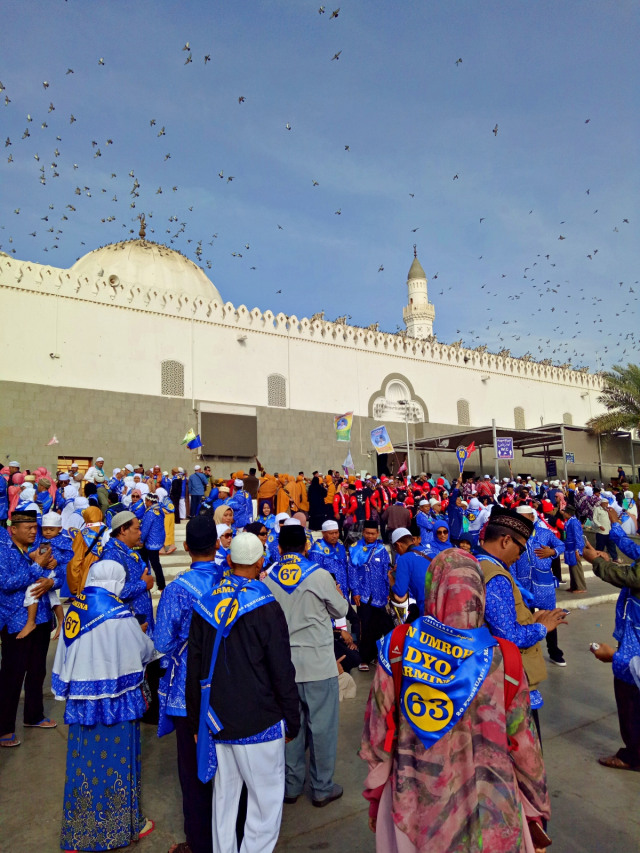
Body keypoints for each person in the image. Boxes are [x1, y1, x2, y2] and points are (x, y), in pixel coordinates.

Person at [360, 548, 550, 852]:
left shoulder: (397, 647)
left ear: (432, 589)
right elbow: (525, 746)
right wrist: (536, 811)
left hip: (417, 811)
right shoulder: (504, 658)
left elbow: (378, 735)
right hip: (493, 815)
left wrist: (375, 798)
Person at [187, 532, 300, 853]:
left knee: (224, 799)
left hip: (216, 719)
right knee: (265, 804)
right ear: (261, 561)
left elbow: (194, 670)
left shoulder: (206, 602)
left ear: (231, 560)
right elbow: (282, 669)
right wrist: (292, 719)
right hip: (259, 721)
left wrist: (197, 722)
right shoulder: (265, 605)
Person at [52, 559, 156, 850]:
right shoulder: (118, 613)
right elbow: (143, 649)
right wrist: (143, 632)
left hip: (83, 704)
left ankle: (79, 833)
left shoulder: (77, 609)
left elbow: (64, 652)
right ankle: (120, 829)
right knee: (117, 764)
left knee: (83, 765)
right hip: (117, 702)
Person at [264, 524, 348, 807]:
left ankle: (291, 786)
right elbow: (342, 610)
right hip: (318, 664)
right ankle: (322, 787)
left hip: (282, 667)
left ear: (278, 548)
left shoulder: (267, 579)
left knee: (291, 728)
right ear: (307, 546)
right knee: (322, 728)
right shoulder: (320, 575)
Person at [155, 516, 223, 853]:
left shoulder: (178, 589)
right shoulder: (233, 581)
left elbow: (163, 641)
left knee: (193, 770)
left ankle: (199, 843)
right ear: (217, 544)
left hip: (188, 691)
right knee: (229, 769)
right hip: (229, 687)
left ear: (185, 548)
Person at [476, 507, 567, 726]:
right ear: (506, 541)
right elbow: (509, 636)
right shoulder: (496, 576)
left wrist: (530, 619)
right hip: (509, 677)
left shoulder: (479, 563)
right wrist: (543, 627)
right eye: (520, 548)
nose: (519, 556)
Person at [583, 509, 640, 770]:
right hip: (632, 630)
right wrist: (616, 528)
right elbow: (632, 550)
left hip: (635, 640)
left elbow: (629, 576)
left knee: (629, 695)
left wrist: (597, 561)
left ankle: (633, 755)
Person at [0, 509, 62, 748]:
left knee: (37, 671)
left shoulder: (33, 551)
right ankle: (4, 726)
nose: (34, 532)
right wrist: (37, 568)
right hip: (16, 622)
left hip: (42, 617)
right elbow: (6, 584)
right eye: (29, 528)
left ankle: (33, 716)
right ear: (13, 529)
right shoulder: (5, 552)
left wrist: (50, 581)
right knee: (12, 675)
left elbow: (53, 576)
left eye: (35, 528)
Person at [511, 506, 567, 666]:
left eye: (525, 518)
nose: (523, 521)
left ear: (532, 516)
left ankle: (554, 651)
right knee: (525, 619)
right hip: (524, 586)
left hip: (544, 586)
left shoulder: (544, 533)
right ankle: (529, 653)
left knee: (549, 617)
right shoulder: (515, 537)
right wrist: (516, 585)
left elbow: (561, 545)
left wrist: (553, 552)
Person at [102, 511, 155, 636]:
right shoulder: (111, 556)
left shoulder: (129, 552)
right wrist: (143, 584)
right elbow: (113, 592)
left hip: (141, 623)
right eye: (137, 529)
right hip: (129, 627)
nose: (140, 532)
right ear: (123, 530)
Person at [348, 520, 392, 667]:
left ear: (377, 533)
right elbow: (352, 571)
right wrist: (355, 591)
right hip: (363, 595)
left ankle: (374, 655)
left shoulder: (382, 550)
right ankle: (363, 658)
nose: (370, 536)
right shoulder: (355, 549)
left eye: (373, 533)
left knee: (378, 626)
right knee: (364, 626)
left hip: (380, 595)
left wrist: (387, 591)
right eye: (367, 533)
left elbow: (386, 572)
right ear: (363, 533)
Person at [390, 528, 432, 619]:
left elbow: (400, 593)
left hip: (427, 606)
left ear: (398, 545)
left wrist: (391, 579)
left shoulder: (404, 559)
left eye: (395, 548)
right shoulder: (430, 551)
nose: (397, 552)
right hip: (445, 599)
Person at [309, 519, 350, 597]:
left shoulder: (340, 545)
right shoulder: (317, 549)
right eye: (331, 533)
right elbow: (315, 574)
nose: (334, 536)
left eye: (336, 532)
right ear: (323, 533)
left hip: (343, 589)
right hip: (328, 592)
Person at [140, 492, 166, 591]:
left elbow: (145, 529)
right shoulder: (159, 510)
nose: (145, 503)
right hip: (157, 539)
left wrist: (141, 539)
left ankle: (160, 584)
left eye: (146, 501)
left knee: (153, 563)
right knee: (154, 563)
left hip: (150, 542)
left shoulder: (150, 513)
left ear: (149, 501)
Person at [562, 505, 586, 592]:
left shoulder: (574, 522)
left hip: (574, 548)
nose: (563, 513)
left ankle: (581, 587)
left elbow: (578, 537)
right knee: (572, 567)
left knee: (576, 568)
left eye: (564, 512)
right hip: (569, 548)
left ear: (568, 513)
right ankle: (574, 586)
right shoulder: (569, 522)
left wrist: (578, 550)